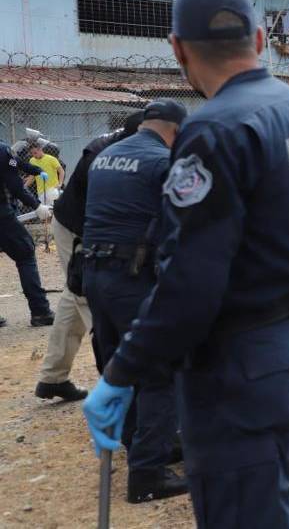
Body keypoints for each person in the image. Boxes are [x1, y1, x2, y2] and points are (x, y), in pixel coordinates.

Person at [82, 0, 289, 527]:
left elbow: (189, 282)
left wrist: (123, 371)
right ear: (262, 39)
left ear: (177, 48)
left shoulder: (214, 131)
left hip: (237, 366)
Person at [83, 98, 188, 503]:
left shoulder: (105, 156)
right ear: (176, 131)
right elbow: (174, 230)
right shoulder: (163, 163)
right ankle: (148, 475)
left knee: (119, 364)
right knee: (160, 369)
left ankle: (144, 447)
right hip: (132, 278)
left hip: (95, 273)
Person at [34, 111, 143, 402]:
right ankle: (120, 391)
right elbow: (106, 213)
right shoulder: (106, 156)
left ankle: (53, 377)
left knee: (75, 295)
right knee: (97, 299)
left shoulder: (131, 141)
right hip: (77, 227)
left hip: (88, 223)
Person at [0, 140, 54, 328]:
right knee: (25, 254)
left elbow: (18, 164)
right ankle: (41, 312)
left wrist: (37, 171)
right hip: (1, 214)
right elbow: (15, 185)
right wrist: (37, 205)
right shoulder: (1, 150)